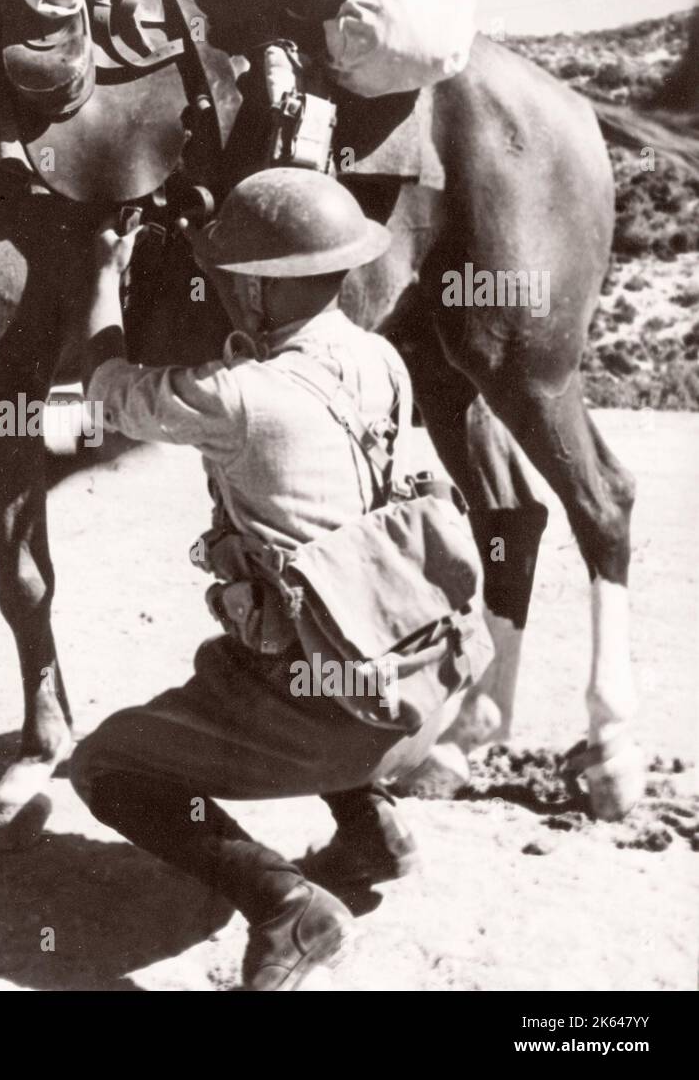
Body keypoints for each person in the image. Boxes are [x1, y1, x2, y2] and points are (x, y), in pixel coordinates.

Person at [72, 167, 480, 991]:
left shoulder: (238, 397)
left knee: (106, 764)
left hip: (331, 716)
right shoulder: (381, 362)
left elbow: (106, 393)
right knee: (225, 664)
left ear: (258, 289)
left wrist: (101, 282)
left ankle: (287, 907)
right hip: (417, 690)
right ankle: (372, 831)